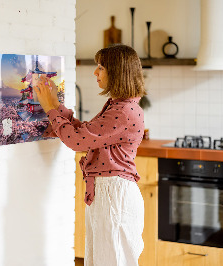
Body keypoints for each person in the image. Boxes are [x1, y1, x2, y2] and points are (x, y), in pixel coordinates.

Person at [34, 44, 146, 266]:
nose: (95, 72)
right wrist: (56, 105)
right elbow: (85, 133)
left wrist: (50, 109)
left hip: (114, 195)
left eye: (101, 67)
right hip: (109, 193)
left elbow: (77, 141)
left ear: (117, 72)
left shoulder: (123, 111)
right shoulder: (119, 106)